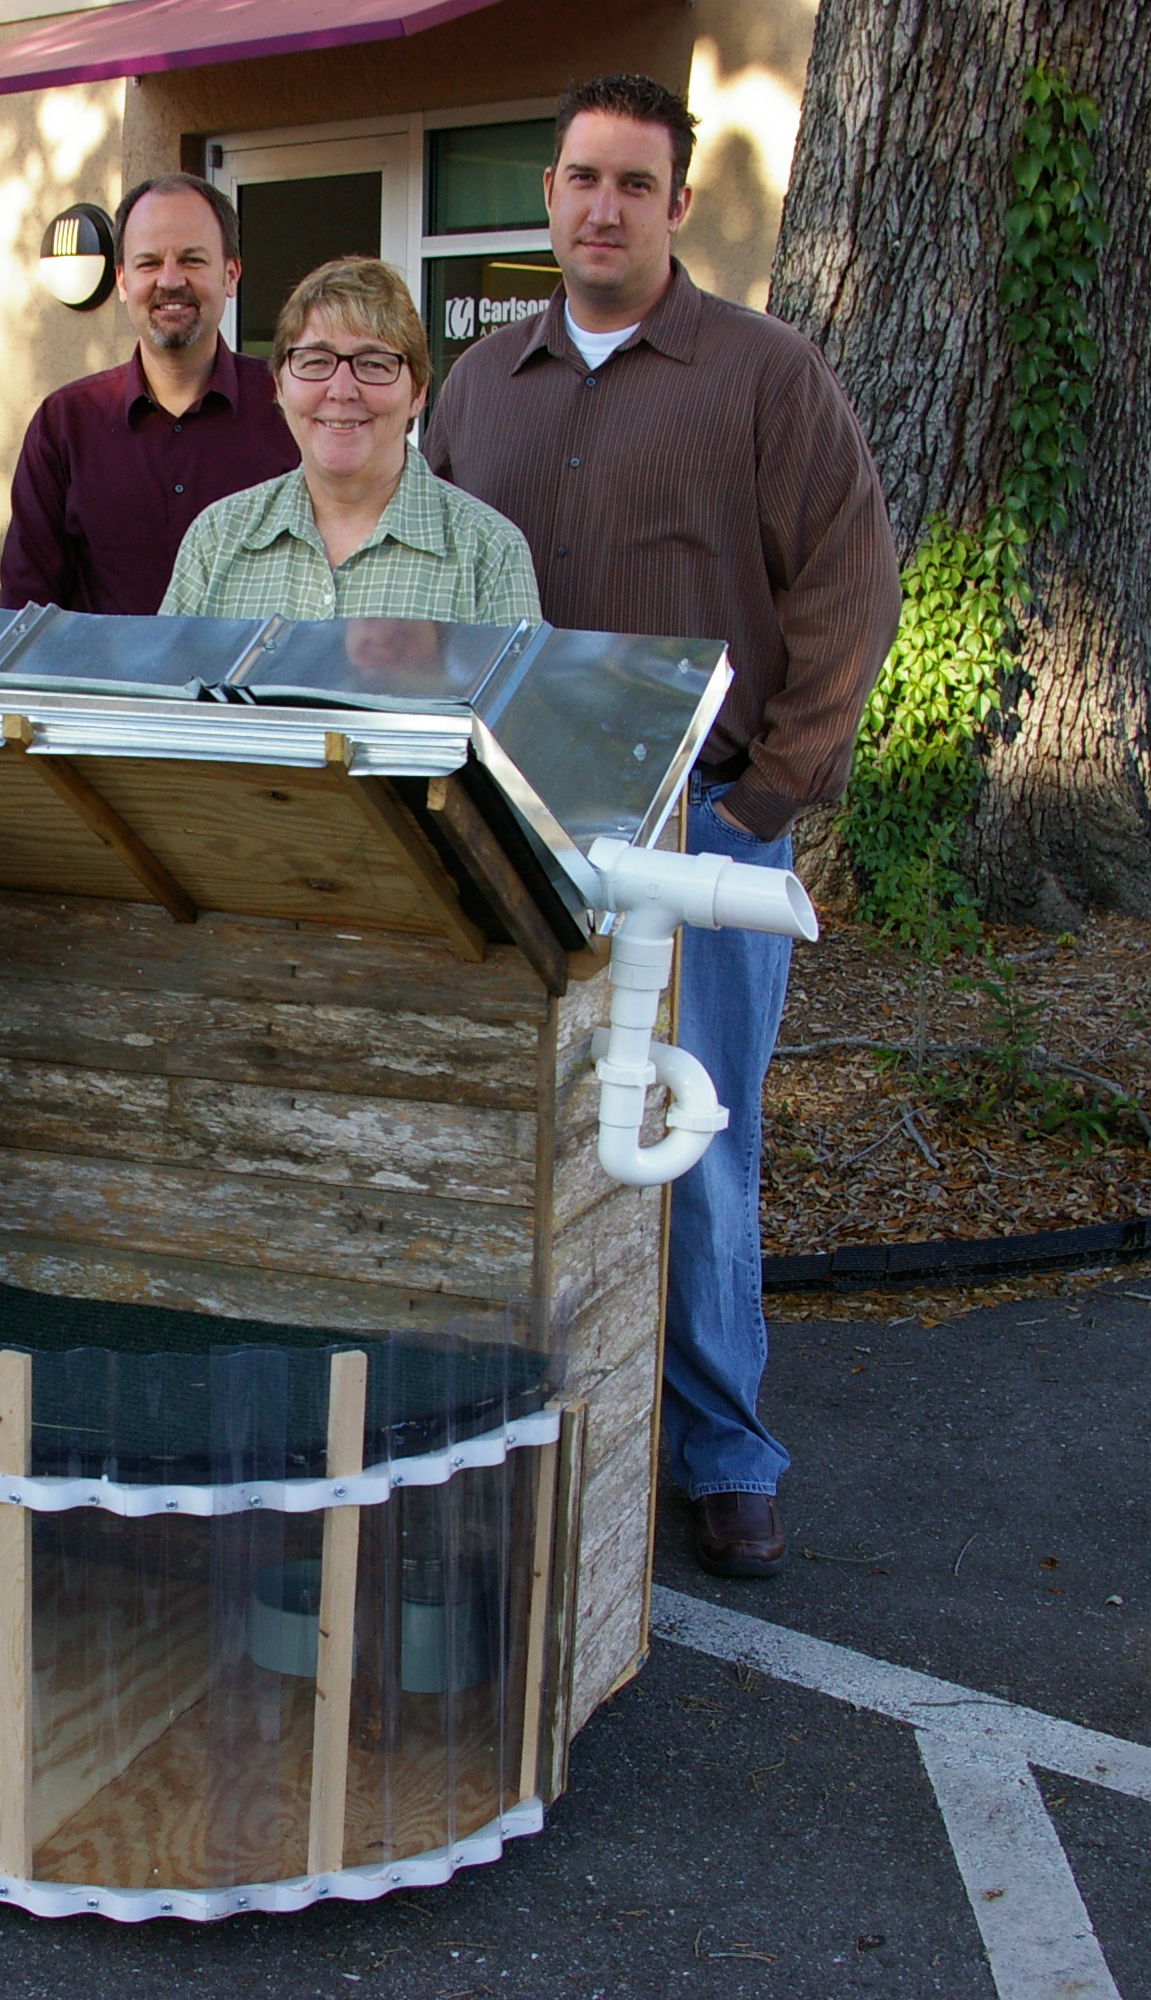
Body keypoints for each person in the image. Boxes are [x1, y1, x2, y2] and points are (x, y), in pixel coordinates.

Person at [424, 73, 901, 1582]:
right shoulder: (478, 388)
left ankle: (725, 1449)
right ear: (548, 195)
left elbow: (848, 592)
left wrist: (760, 803)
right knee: (525, 1123)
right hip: (513, 822)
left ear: (677, 205)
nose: (603, 207)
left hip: (698, 834)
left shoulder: (764, 377)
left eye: (635, 183)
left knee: (697, 1143)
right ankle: (536, 1416)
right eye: (581, 178)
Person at [161, 258, 538, 626]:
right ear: (279, 386)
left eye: (374, 363)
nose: (341, 391)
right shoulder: (215, 541)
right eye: (315, 361)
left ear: (419, 392)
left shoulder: (490, 555)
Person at [1, 173, 300, 616]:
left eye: (192, 259)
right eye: (149, 263)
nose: (170, 280)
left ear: (230, 274)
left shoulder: (293, 410)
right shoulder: (64, 425)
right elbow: (25, 613)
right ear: (122, 281)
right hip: (106, 667)